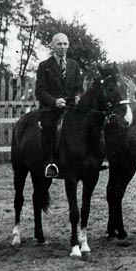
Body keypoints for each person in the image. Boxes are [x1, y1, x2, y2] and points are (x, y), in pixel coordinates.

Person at [35, 33, 84, 178]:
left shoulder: (74, 65)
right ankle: (50, 163)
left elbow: (79, 87)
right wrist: (54, 101)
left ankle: (88, 159)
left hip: (71, 108)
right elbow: (40, 91)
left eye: (65, 44)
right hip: (51, 109)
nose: (63, 47)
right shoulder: (44, 66)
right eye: (59, 44)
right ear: (52, 46)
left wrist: (78, 97)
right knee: (49, 128)